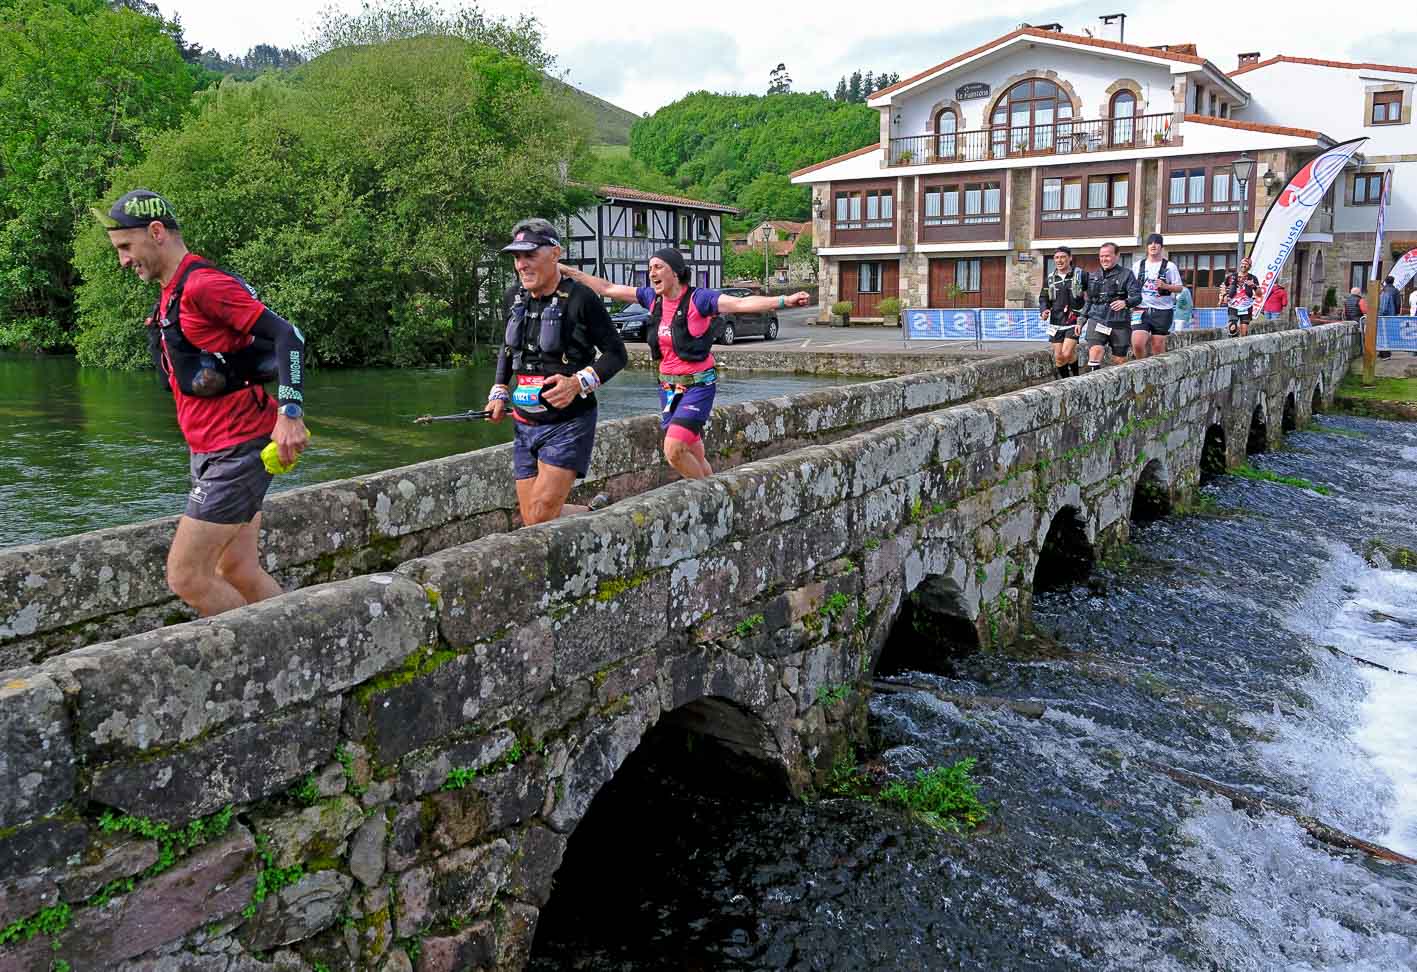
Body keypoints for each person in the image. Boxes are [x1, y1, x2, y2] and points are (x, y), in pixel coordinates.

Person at [98, 189, 308, 617]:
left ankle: (263, 660)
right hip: (212, 448)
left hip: (237, 449)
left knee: (187, 576)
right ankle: (305, 648)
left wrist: (290, 412)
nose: (122, 260)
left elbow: (289, 336)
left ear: (156, 232)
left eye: (125, 247)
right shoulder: (172, 293)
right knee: (238, 570)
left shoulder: (203, 286)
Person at [562, 252, 809, 480]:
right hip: (669, 390)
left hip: (697, 387)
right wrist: (567, 271)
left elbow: (739, 304)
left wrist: (784, 300)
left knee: (674, 450)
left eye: (658, 267)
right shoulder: (652, 299)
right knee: (696, 453)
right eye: (650, 268)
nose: (652, 273)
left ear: (676, 272)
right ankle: (716, 493)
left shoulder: (698, 299)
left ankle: (707, 495)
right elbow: (607, 288)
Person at [486, 218, 627, 525]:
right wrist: (498, 390)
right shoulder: (514, 297)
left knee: (539, 516)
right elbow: (508, 349)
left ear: (555, 253)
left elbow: (617, 354)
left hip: (568, 423)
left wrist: (578, 383)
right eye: (517, 258)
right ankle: (592, 513)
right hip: (524, 422)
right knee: (531, 518)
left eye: (530, 255)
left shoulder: (581, 298)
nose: (522, 265)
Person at [1080, 242, 1141, 371]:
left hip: (1119, 323)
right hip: (1097, 320)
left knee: (1119, 360)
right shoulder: (1093, 275)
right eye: (1101, 256)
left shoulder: (1127, 274)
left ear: (1117, 256)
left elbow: (1137, 297)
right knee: (1095, 352)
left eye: (1107, 256)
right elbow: (1089, 301)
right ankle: (1094, 385)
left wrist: (1125, 302)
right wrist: (1081, 322)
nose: (1104, 259)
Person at [1132, 233, 1184, 359]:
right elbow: (1131, 286)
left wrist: (1166, 286)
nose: (1153, 245)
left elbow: (1179, 288)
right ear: (1147, 247)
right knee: (1137, 343)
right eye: (1150, 243)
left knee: (1157, 347)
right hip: (1141, 309)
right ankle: (1141, 368)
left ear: (1162, 247)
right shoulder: (1138, 265)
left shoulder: (1170, 266)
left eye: (1156, 243)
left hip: (1162, 311)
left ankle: (1158, 374)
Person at [1038, 245, 1086, 378]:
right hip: (1056, 322)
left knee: (1065, 353)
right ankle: (1067, 381)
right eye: (1057, 258)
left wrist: (1084, 315)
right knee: (1060, 357)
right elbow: (1043, 298)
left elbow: (1091, 294)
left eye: (1063, 257)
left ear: (1070, 258)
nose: (1059, 260)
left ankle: (1074, 379)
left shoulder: (1080, 275)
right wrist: (1044, 310)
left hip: (1073, 321)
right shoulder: (1050, 279)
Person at [1219, 258, 1260, 336]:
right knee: (1232, 328)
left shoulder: (1253, 278)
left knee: (1244, 332)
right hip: (1233, 307)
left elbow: (1259, 294)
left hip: (1246, 307)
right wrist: (1223, 296)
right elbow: (1223, 286)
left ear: (1250, 266)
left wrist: (1253, 286)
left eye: (1246, 264)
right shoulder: (1231, 277)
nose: (1244, 265)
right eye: (1242, 263)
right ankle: (1234, 339)